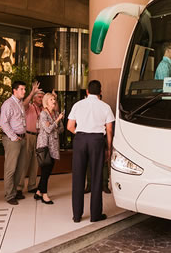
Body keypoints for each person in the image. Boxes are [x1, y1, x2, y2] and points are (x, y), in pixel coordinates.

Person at [67, 80, 114, 223]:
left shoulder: (78, 105)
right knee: (96, 177)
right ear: (100, 91)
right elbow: (110, 130)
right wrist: (109, 148)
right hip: (97, 141)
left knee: (78, 177)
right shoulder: (105, 107)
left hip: (80, 139)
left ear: (87, 91)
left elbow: (70, 126)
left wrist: (81, 134)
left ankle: (77, 215)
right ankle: (95, 215)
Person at [0, 80, 42, 205]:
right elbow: (3, 123)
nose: (24, 91)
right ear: (15, 90)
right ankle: (9, 195)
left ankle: (16, 191)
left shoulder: (19, 103)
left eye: (24, 89)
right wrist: (13, 136)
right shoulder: (8, 104)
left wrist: (33, 92)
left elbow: (26, 103)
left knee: (20, 167)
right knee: (10, 168)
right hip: (13, 139)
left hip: (22, 138)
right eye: (22, 89)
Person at [36, 92, 64, 205]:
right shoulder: (43, 114)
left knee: (48, 170)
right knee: (46, 170)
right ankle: (44, 194)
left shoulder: (56, 113)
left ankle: (38, 191)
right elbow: (47, 130)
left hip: (54, 145)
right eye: (52, 99)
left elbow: (61, 128)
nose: (54, 101)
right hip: (45, 145)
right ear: (47, 101)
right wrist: (56, 122)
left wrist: (53, 125)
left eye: (54, 99)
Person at [19, 89, 45, 196]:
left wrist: (54, 98)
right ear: (34, 98)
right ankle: (19, 187)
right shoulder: (29, 106)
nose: (41, 99)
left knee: (35, 162)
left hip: (39, 136)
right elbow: (23, 104)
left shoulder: (43, 109)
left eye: (42, 97)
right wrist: (31, 93)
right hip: (28, 135)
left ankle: (32, 185)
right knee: (24, 161)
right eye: (39, 97)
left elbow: (55, 110)